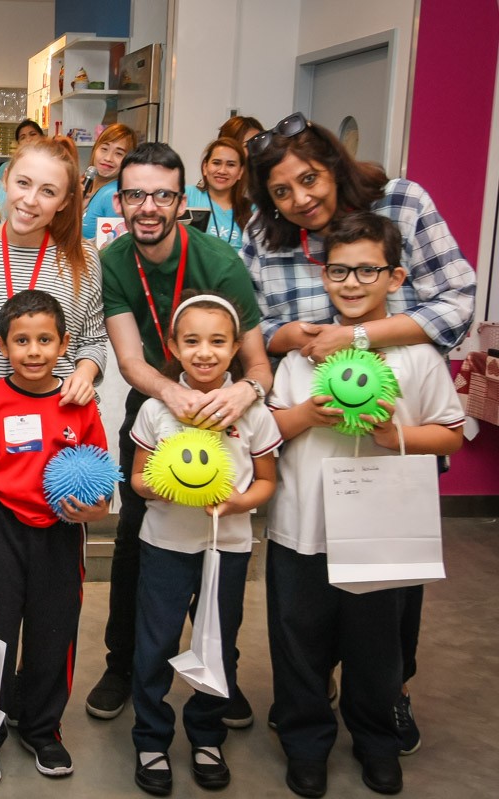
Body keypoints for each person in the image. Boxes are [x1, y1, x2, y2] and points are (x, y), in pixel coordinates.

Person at [243, 113, 476, 750]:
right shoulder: (265, 235)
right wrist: (291, 338)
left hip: (393, 432)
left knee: (387, 597)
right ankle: (308, 697)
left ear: (334, 164)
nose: (300, 199)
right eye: (281, 192)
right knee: (306, 594)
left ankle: (387, 697)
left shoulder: (403, 202)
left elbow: (456, 303)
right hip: (309, 431)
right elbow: (250, 322)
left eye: (308, 179)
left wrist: (358, 337)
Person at [265, 212, 464, 798]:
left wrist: (392, 435)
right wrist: (308, 414)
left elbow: (451, 433)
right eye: (338, 271)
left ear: (395, 277)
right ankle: (306, 744)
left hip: (383, 533)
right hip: (303, 528)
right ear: (322, 275)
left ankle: (377, 741)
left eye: (367, 271)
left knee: (377, 648)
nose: (351, 283)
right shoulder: (303, 356)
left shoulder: (417, 355)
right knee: (299, 642)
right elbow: (268, 431)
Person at [86, 142, 273, 728]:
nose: (148, 206)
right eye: (135, 194)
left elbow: (258, 365)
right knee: (137, 537)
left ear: (182, 200)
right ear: (120, 200)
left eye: (162, 195)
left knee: (217, 541)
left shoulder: (219, 261)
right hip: (157, 405)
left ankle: (219, 672)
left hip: (222, 405)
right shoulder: (115, 260)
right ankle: (123, 666)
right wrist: (172, 396)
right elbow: (130, 360)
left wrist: (243, 393)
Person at [127, 291, 280, 796]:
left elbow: (266, 482)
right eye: (191, 341)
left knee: (217, 643)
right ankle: (151, 739)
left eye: (218, 341)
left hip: (227, 549)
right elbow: (138, 481)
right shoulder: (157, 409)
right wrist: (166, 485)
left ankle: (207, 735)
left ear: (236, 348)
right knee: (155, 644)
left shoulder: (253, 412)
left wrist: (237, 504)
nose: (205, 352)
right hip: (165, 545)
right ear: (173, 347)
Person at [0, 290, 110, 784]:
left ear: (64, 344)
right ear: (3, 346)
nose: (34, 351)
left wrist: (99, 509)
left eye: (45, 340)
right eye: (21, 341)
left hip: (60, 535)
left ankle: (42, 729)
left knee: (53, 636)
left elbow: (102, 482)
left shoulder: (80, 405)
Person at [0, 134, 106, 415]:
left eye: (48, 191)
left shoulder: (82, 257)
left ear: (64, 201)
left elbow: (93, 341)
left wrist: (84, 376)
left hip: (64, 417)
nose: (30, 200)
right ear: (5, 180)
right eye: (23, 183)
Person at [184, 137, 252, 249]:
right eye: (216, 163)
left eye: (231, 165)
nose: (222, 171)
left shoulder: (251, 209)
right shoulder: (187, 195)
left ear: (240, 172)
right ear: (205, 167)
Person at [82, 123, 138, 240]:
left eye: (119, 153)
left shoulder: (112, 195)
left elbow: (114, 246)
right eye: (104, 149)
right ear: (95, 149)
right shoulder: (88, 187)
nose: (108, 158)